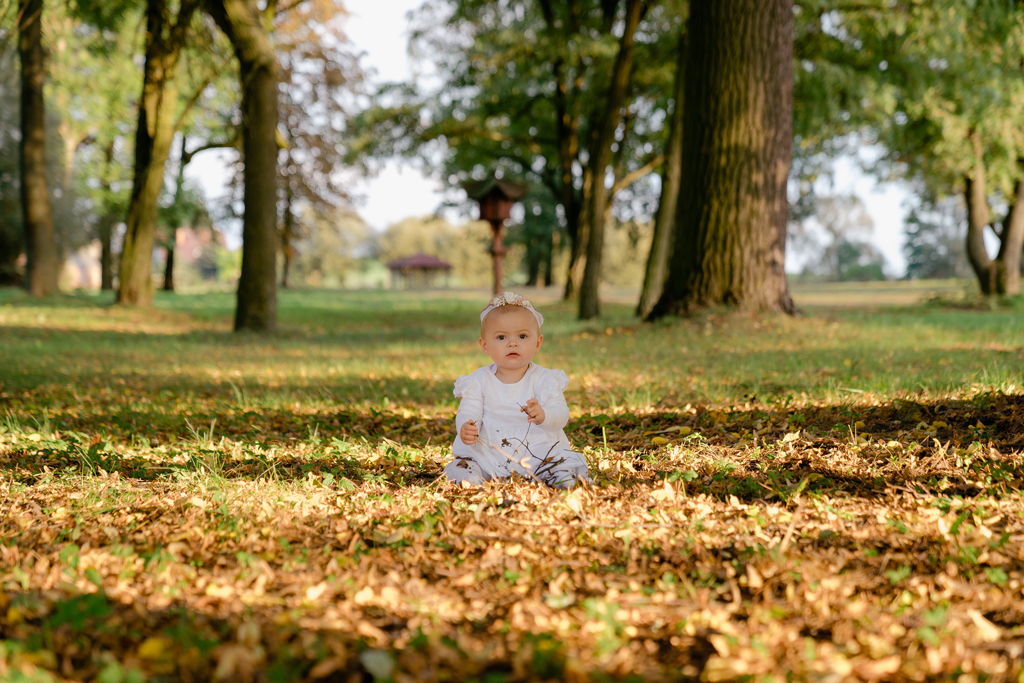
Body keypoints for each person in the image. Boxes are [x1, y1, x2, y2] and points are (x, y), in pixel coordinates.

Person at [443, 292, 591, 489]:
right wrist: (466, 427)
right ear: (485, 345)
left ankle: (561, 480)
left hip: (540, 454)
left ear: (537, 342)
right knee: (461, 469)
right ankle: (472, 483)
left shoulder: (545, 380)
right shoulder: (478, 381)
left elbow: (561, 415)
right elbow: (468, 411)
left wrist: (545, 415)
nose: (512, 343)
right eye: (501, 337)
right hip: (488, 454)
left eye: (522, 336)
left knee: (562, 466)